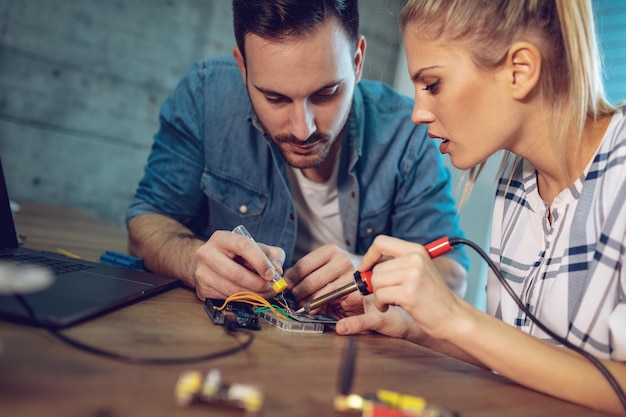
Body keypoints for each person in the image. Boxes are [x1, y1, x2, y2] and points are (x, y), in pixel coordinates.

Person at [335, 0, 626, 414]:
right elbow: (524, 358)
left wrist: (456, 316)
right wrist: (418, 329)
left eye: (432, 85)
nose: (417, 113)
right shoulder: (516, 180)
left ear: (519, 70)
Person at [125, 0, 468, 307]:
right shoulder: (205, 96)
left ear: (358, 62)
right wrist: (191, 260)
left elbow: (452, 276)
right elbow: (147, 220)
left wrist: (374, 275)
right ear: (243, 68)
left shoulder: (407, 133)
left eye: (326, 94)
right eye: (275, 99)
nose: (302, 130)